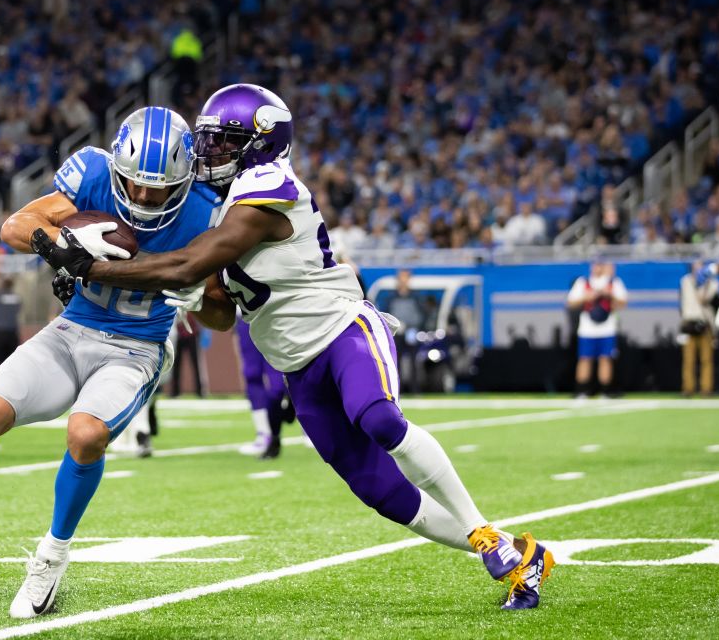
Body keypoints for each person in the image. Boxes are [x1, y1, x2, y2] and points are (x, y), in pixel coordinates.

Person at [37, 85, 552, 611]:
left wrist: (90, 266)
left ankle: (484, 534)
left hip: (341, 330)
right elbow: (219, 311)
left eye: (223, 142)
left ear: (260, 143)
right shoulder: (210, 204)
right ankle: (519, 552)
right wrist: (193, 298)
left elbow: (188, 263)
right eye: (207, 141)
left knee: (378, 418)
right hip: (294, 364)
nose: (208, 154)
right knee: (382, 493)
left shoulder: (269, 184)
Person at [0, 107, 222, 620]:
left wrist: (194, 292)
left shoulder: (206, 213)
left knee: (84, 434)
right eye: (135, 184)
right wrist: (63, 247)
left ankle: (52, 558)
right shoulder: (95, 173)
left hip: (136, 346)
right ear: (118, 169)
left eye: (159, 188)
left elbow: (223, 317)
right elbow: (16, 226)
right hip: (72, 329)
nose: (144, 197)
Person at [566, 261, 628, 398]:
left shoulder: (613, 282)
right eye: (595, 264)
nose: (598, 267)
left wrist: (609, 295)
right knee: (585, 358)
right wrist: (586, 297)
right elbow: (570, 302)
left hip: (607, 328)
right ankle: (582, 390)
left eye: (600, 264)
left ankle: (605, 390)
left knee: (605, 358)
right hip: (587, 328)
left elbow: (623, 303)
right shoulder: (583, 282)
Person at [235, 316, 287, 459]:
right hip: (245, 317)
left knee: (278, 381)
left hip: (275, 315)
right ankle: (263, 433)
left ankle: (304, 423)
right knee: (252, 374)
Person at [679, 261, 719, 397]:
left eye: (700, 267)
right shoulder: (685, 281)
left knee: (706, 359)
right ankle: (688, 388)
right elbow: (681, 302)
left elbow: (708, 300)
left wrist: (705, 283)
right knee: (688, 359)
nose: (698, 269)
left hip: (705, 324)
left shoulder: (712, 283)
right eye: (696, 266)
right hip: (689, 323)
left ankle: (706, 389)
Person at [383, 269, 426, 396]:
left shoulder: (415, 297)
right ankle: (396, 389)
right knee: (396, 362)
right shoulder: (392, 298)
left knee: (414, 362)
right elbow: (387, 315)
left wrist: (414, 327)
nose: (403, 280)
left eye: (405, 277)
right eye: (401, 277)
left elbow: (421, 315)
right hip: (397, 333)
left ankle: (415, 389)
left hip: (411, 332)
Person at [169, 310, 205, 397]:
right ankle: (175, 391)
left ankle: (200, 391)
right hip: (179, 335)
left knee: (196, 363)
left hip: (192, 334)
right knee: (176, 364)